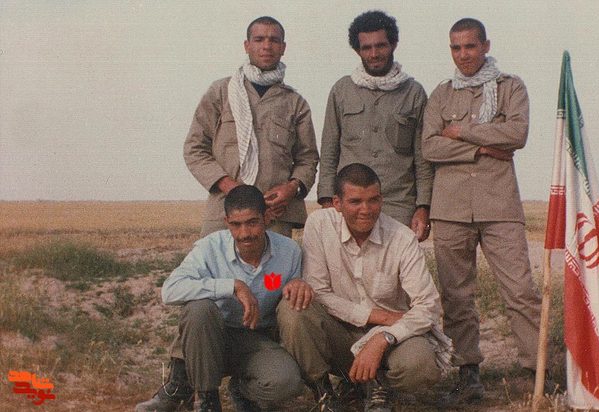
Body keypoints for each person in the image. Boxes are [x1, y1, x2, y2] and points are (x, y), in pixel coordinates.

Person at [421, 18, 543, 405]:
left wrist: (460, 132)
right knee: (457, 297)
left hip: (499, 205)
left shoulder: (510, 87)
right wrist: (481, 147)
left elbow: (517, 134)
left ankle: (537, 372)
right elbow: (430, 146)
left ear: (485, 46)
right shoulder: (441, 94)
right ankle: (467, 374)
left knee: (521, 291)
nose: (463, 55)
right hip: (450, 208)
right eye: (456, 48)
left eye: (470, 46)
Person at [278, 163, 449, 412]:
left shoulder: (402, 238)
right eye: (355, 201)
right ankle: (324, 393)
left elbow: (428, 306)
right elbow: (318, 291)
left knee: (420, 366)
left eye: (373, 200)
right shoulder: (319, 224)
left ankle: (378, 385)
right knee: (293, 308)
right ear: (337, 203)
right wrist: (377, 316)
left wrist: (382, 337)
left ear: (381, 199)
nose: (366, 210)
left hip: (390, 337)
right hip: (340, 332)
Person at [135, 185, 314, 412]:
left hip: (257, 340)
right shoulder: (210, 248)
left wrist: (297, 283)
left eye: (252, 222)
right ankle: (204, 398)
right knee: (199, 309)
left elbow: (294, 293)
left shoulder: (289, 251)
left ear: (267, 217)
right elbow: (170, 290)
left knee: (286, 383)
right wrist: (232, 286)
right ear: (226, 221)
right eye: (236, 224)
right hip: (210, 336)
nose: (245, 233)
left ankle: (242, 389)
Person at [184, 16, 318, 238]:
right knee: (216, 262)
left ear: (283, 48)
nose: (266, 46)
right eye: (259, 39)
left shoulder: (295, 103)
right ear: (247, 45)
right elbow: (194, 149)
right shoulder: (221, 92)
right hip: (225, 211)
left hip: (275, 214)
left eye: (274, 40)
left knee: (275, 263)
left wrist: (291, 188)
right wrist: (230, 187)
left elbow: (308, 158)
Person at [316, 11, 433, 242]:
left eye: (381, 46)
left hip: (398, 204)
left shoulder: (414, 93)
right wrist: (328, 201)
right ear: (357, 50)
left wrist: (423, 207)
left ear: (394, 44)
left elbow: (423, 158)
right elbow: (329, 151)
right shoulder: (341, 91)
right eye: (366, 47)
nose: (374, 54)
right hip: (350, 206)